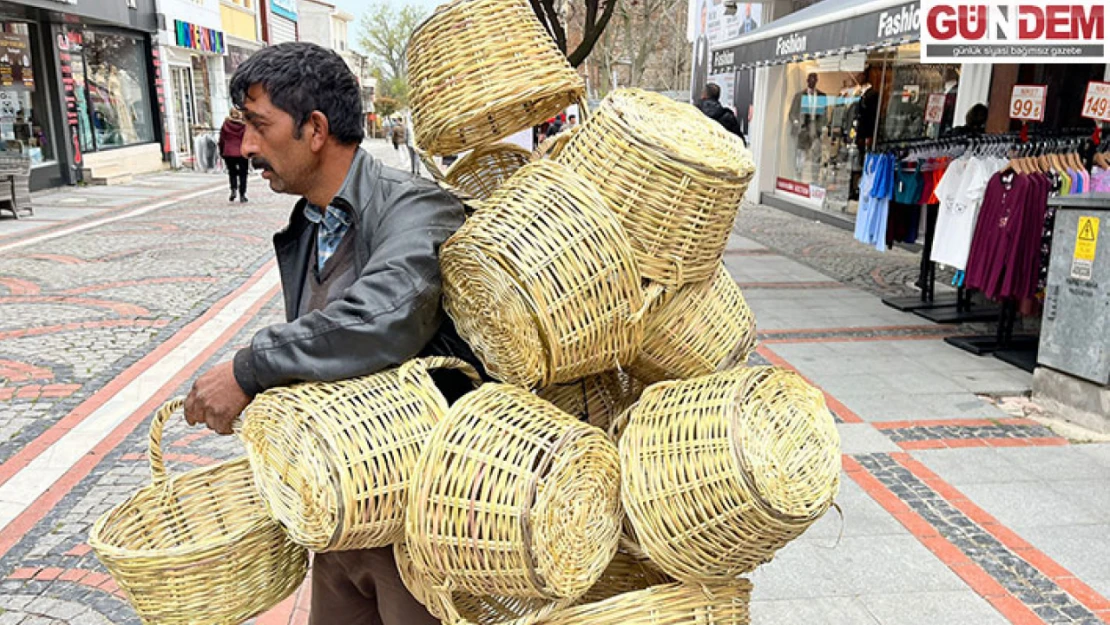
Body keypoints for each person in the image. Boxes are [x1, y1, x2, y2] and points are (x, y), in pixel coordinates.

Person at [183, 42, 479, 625]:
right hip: (345, 512)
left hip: (422, 523)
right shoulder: (310, 221)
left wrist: (250, 368)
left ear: (315, 129)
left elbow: (380, 318)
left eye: (260, 127)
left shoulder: (416, 209)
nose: (245, 147)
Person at [218, 108, 249, 202]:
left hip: (228, 152)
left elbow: (222, 139)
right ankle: (242, 194)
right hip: (241, 152)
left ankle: (233, 190)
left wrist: (222, 151)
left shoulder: (225, 125)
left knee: (232, 172)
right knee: (243, 173)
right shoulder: (245, 126)